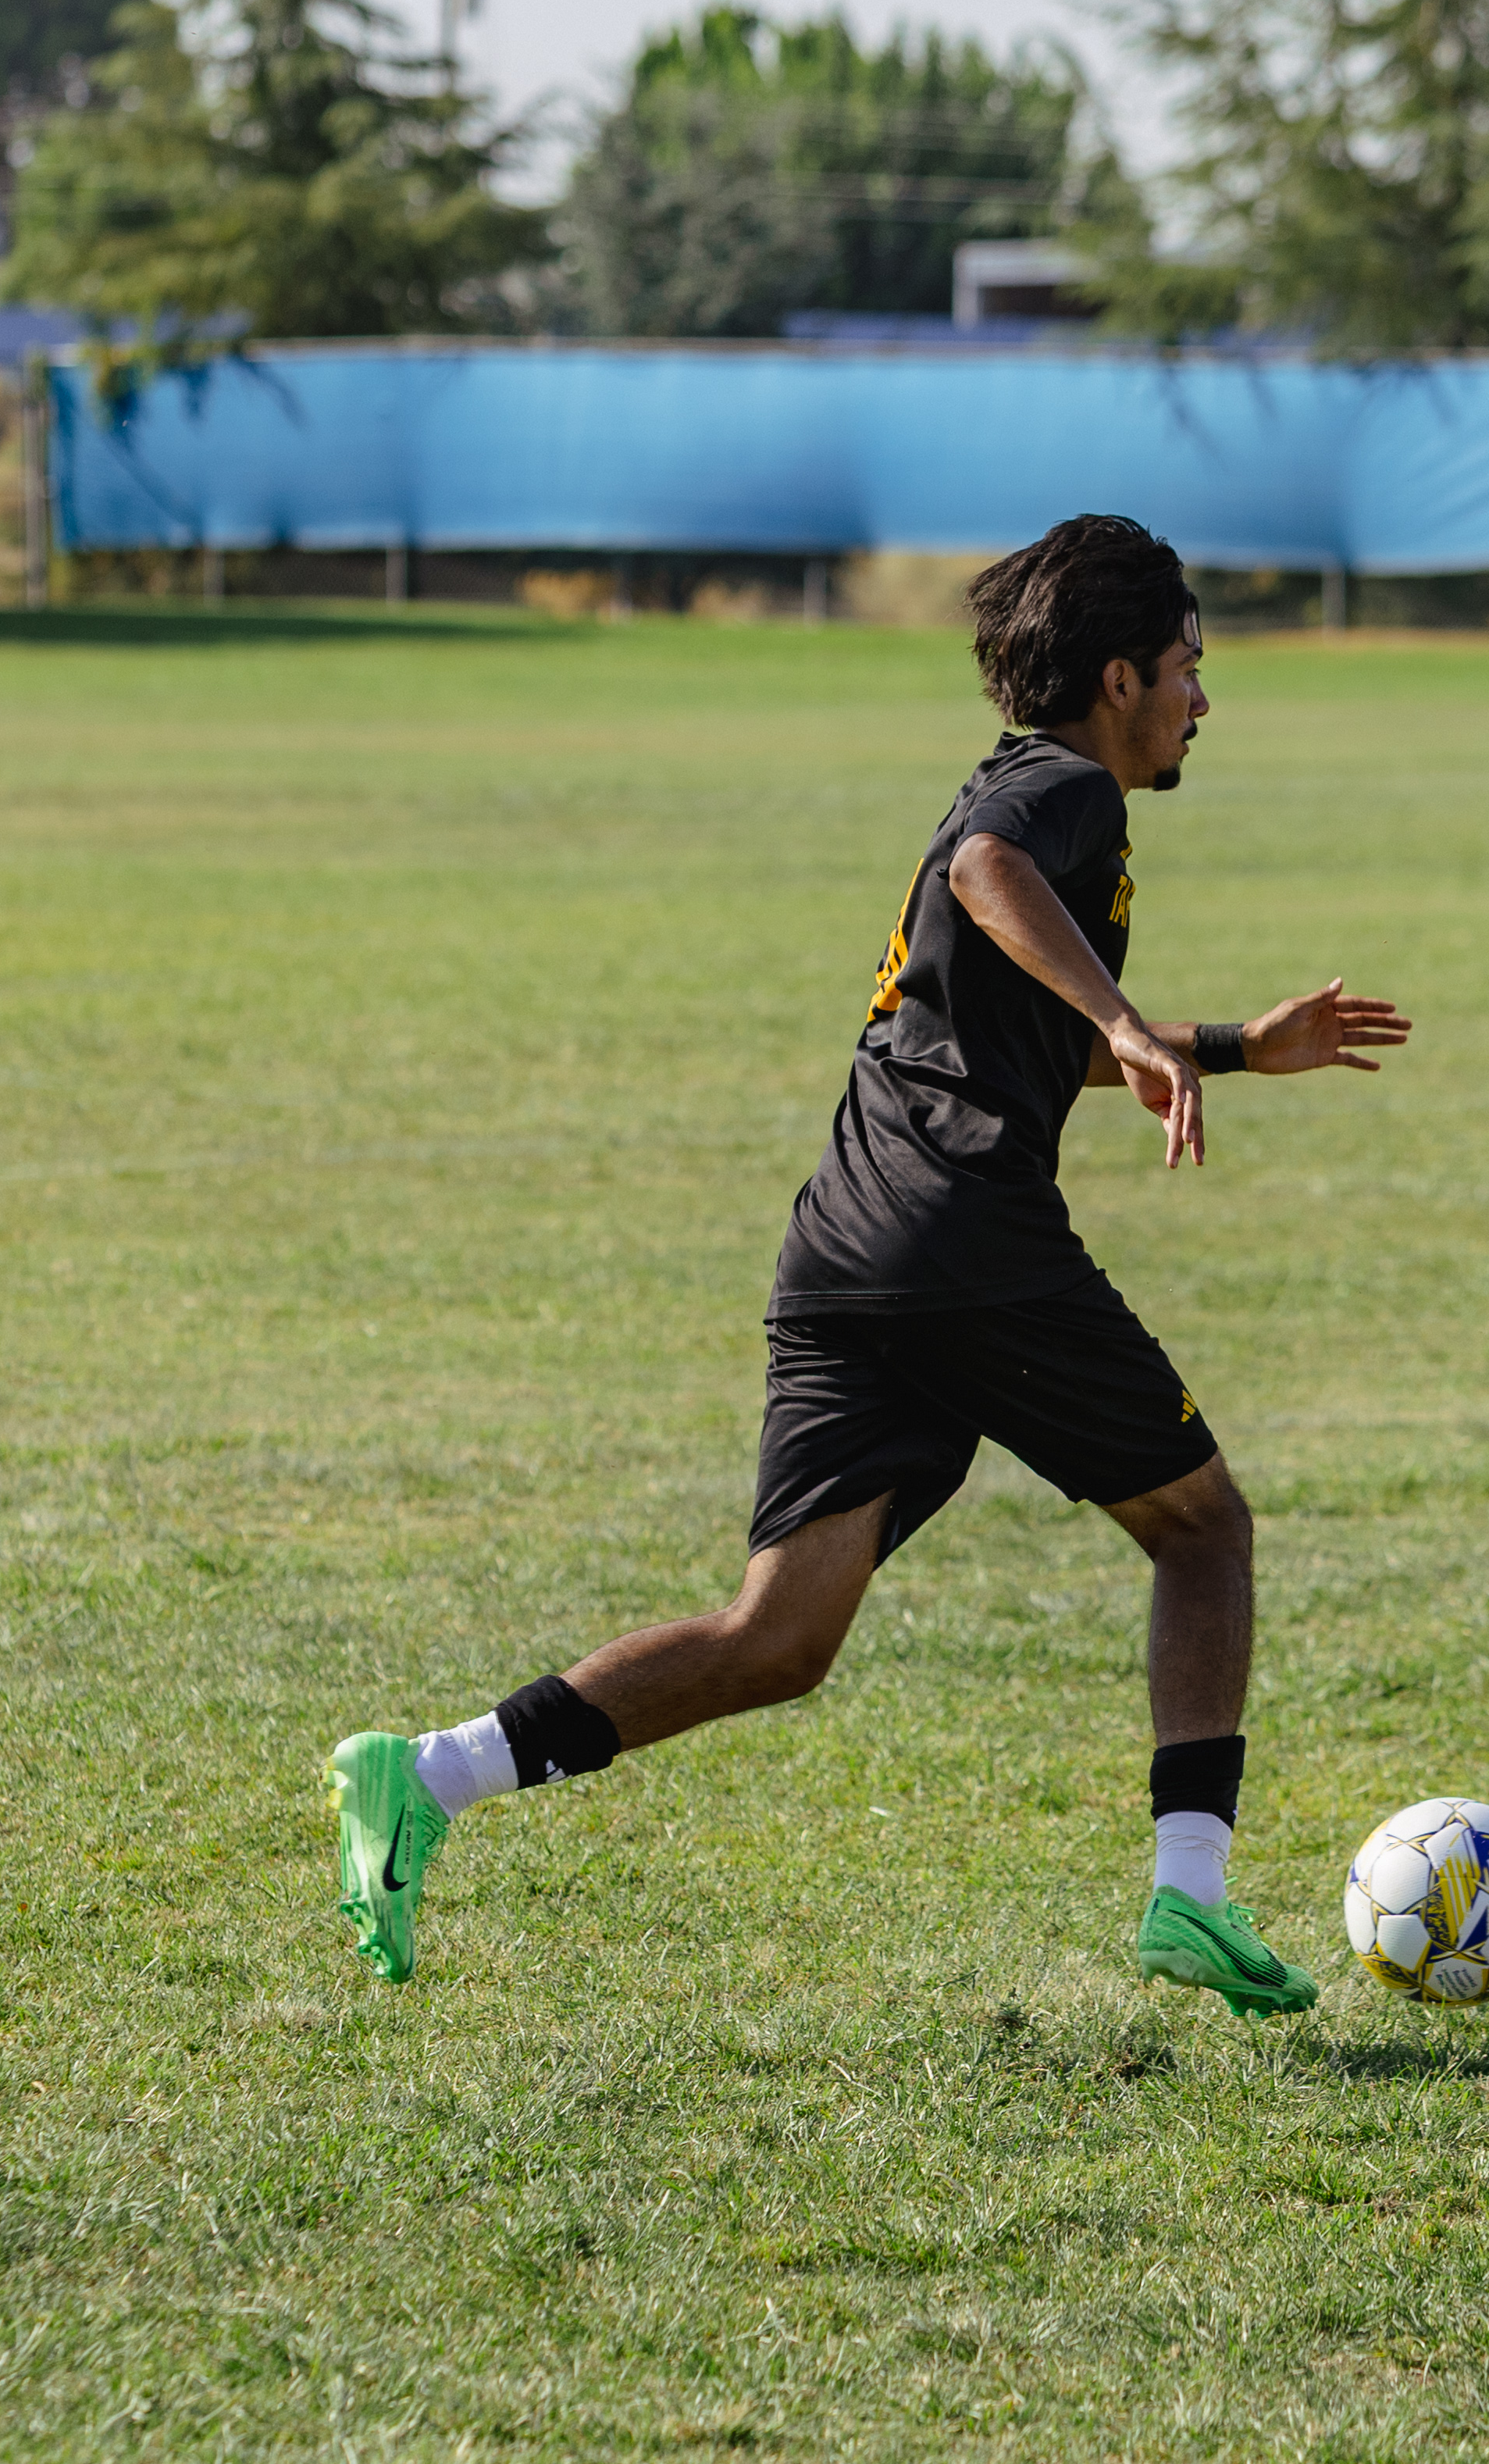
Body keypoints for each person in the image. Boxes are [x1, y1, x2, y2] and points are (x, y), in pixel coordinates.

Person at [320, 514, 1413, 2009]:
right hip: (966, 1236)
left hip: (846, 1242)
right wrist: (1131, 1027)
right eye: (1188, 669)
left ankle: (425, 1776)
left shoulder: (1018, 789)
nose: (1202, 702)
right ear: (1116, 678)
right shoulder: (1062, 792)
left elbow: (997, 1020)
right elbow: (986, 876)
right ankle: (1191, 1895)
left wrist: (1223, 1044)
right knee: (1204, 1531)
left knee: (778, 1637)